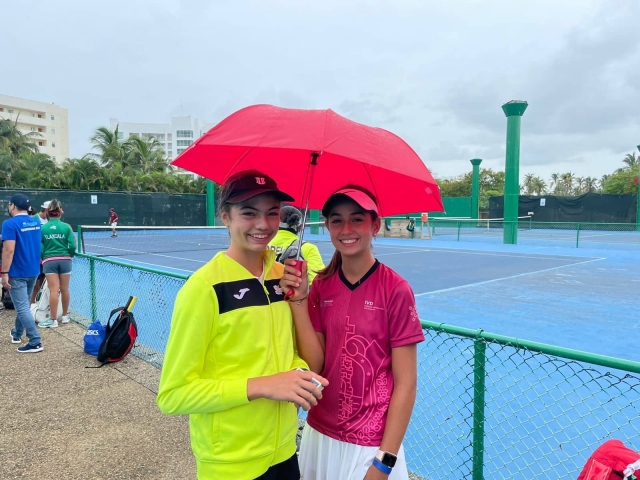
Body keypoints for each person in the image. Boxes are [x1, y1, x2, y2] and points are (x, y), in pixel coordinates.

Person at [156, 170, 328, 480]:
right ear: (225, 216)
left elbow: (297, 358)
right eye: (249, 213)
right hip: (231, 464)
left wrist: (298, 372)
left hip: (286, 451)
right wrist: (264, 386)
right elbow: (174, 395)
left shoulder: (283, 279)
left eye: (272, 213)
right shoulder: (203, 289)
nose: (263, 224)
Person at [281, 186, 425, 480]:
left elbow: (406, 384)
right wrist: (298, 300)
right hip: (319, 433)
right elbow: (317, 365)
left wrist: (384, 462)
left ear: (375, 225)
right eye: (337, 220)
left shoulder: (395, 289)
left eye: (356, 219)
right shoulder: (321, 285)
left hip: (370, 447)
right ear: (327, 227)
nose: (346, 229)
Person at [3, 194, 43, 353]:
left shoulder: (9, 224)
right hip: (33, 270)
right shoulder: (35, 221)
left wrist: (4, 272)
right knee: (24, 304)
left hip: (17, 272)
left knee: (21, 307)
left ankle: (35, 341)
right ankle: (17, 333)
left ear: (12, 206)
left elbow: (8, 250)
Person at [37, 200, 76, 328]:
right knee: (65, 289)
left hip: (49, 261)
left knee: (53, 290)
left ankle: (53, 320)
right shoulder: (66, 227)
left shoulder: (43, 228)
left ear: (48, 212)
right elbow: (72, 246)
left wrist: (44, 257)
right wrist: (69, 255)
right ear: (60, 213)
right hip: (65, 261)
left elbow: (40, 247)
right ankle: (64, 317)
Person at [267, 205, 325, 286]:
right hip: (292, 296)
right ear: (300, 227)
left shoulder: (260, 245)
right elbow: (318, 283)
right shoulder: (308, 248)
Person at [29, 200, 50, 304]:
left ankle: (40, 304)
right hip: (35, 256)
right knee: (34, 282)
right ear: (46, 210)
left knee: (43, 280)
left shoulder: (50, 221)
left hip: (47, 256)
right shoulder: (33, 219)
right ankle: (32, 305)